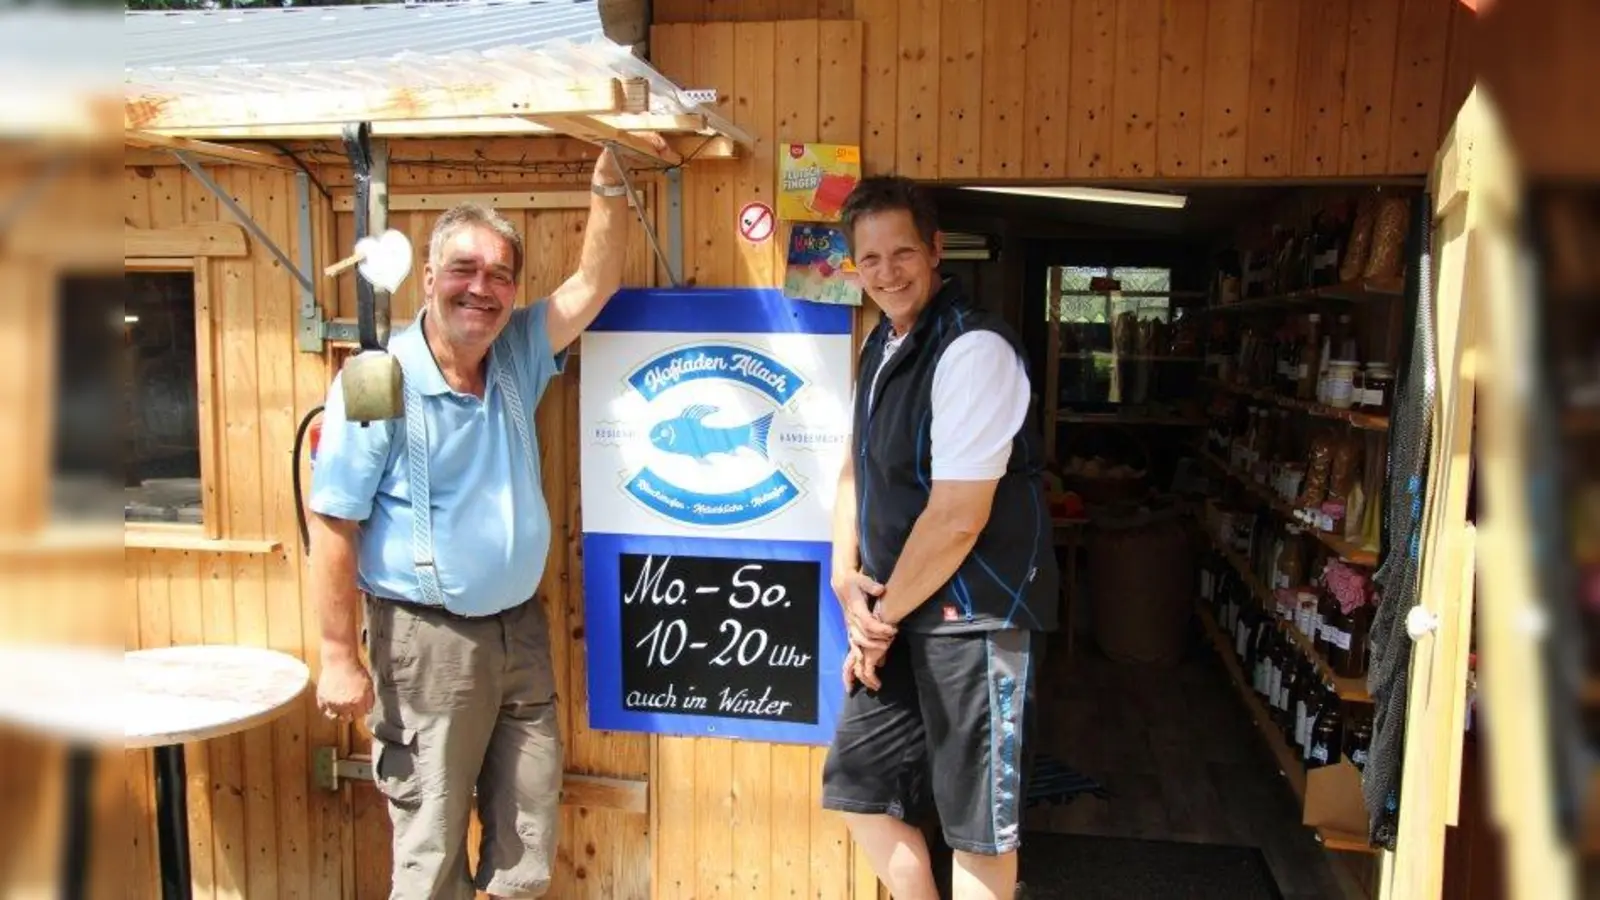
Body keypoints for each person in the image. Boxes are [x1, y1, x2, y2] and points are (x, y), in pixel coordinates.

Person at [307, 145, 645, 900]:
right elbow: (332, 521)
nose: (481, 288)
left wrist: (607, 189)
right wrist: (336, 653)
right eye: (463, 269)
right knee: (429, 851)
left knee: (526, 837)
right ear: (428, 279)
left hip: (520, 631)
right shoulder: (372, 379)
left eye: (499, 274)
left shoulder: (518, 348)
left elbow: (594, 284)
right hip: (424, 645)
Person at [821, 175, 1059, 900]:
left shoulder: (973, 349)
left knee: (978, 828)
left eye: (902, 253)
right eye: (870, 259)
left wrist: (877, 625)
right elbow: (853, 469)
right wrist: (843, 573)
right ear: (853, 266)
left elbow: (958, 516)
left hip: (973, 620)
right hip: (897, 614)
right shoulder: (881, 347)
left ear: (935, 249)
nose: (887, 273)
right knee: (859, 788)